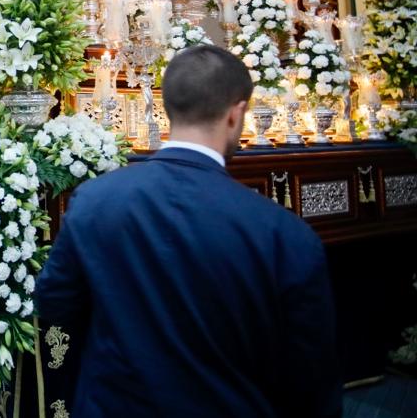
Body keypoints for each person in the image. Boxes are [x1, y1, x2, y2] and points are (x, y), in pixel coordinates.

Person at [35, 45, 341, 418]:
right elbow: (312, 374)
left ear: (167, 108)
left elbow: (54, 302)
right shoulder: (284, 234)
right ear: (237, 114)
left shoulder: (93, 200)